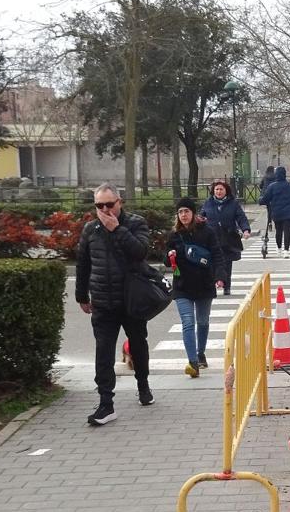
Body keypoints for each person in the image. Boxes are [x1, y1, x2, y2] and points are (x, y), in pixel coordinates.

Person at [76, 184, 154, 424]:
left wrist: (118, 229)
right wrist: (81, 295)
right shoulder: (91, 229)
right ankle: (106, 403)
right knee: (103, 353)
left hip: (131, 301)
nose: (105, 210)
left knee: (138, 345)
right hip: (103, 302)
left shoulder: (135, 223)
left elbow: (141, 252)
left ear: (120, 202)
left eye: (110, 204)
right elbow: (83, 264)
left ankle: (143, 385)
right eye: (100, 205)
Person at [167, 196, 225, 377]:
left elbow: (217, 254)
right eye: (180, 212)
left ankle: (200, 353)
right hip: (182, 286)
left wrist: (220, 276)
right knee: (188, 323)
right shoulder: (174, 235)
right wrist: (170, 256)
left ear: (193, 213)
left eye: (186, 211)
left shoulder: (206, 232)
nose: (183, 215)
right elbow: (166, 262)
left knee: (202, 321)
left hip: (204, 284)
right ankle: (193, 362)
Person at [201, 179, 251, 296]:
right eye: (216, 189)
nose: (218, 192)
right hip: (212, 237)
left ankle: (226, 286)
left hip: (228, 238)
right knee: (213, 262)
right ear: (213, 191)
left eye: (221, 189)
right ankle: (215, 283)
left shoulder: (233, 203)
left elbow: (241, 217)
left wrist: (246, 230)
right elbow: (201, 216)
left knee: (227, 263)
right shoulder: (208, 203)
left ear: (226, 191)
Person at [258, 165, 290, 256]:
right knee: (287, 231)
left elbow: (266, 198)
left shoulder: (272, 186)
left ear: (276, 175)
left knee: (278, 231)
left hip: (276, 212)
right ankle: (286, 251)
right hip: (289, 212)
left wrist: (260, 201)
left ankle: (279, 249)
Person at [257, 166, 275, 257]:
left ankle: (269, 222)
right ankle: (273, 220)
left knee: (269, 210)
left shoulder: (265, 177)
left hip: (266, 196)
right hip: (274, 197)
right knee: (273, 209)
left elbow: (260, 186)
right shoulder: (275, 177)